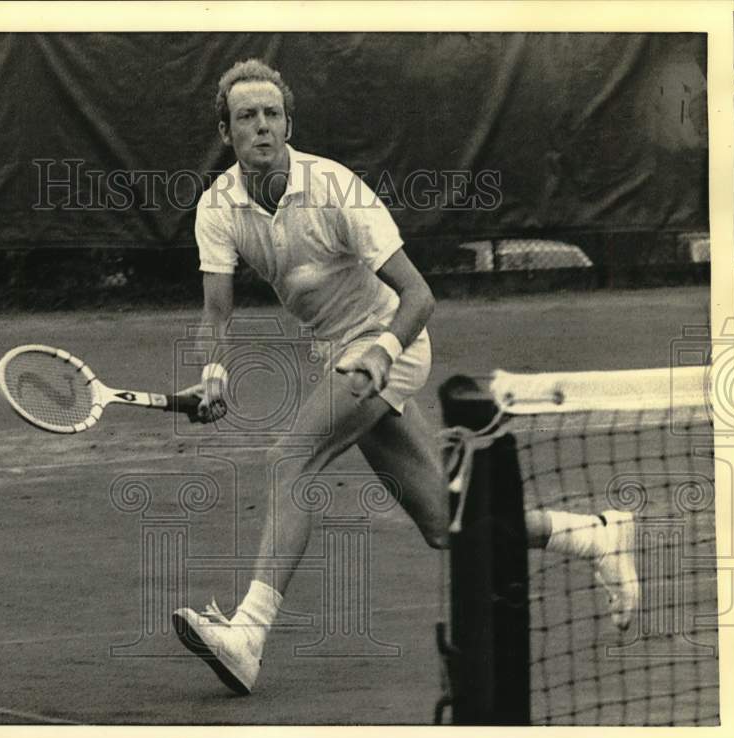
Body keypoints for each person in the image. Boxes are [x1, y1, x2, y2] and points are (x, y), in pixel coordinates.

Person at [173, 58, 637, 695]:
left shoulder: (336, 189)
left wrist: (383, 351)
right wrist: (213, 372)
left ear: (288, 123)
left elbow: (419, 295)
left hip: (393, 339)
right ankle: (594, 535)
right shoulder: (218, 208)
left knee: (294, 459)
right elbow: (216, 312)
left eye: (272, 114)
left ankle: (248, 636)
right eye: (246, 117)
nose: (262, 127)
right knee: (443, 522)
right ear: (225, 132)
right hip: (338, 353)